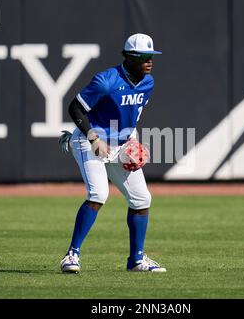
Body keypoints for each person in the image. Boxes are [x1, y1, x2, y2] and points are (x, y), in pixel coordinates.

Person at [58, 33, 166, 273]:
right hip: (90, 141)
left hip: (119, 143)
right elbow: (74, 107)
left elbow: (131, 117)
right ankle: (71, 255)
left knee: (142, 199)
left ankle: (136, 260)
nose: (149, 61)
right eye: (143, 57)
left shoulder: (148, 82)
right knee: (98, 193)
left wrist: (133, 142)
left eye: (152, 56)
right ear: (128, 57)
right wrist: (93, 137)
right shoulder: (106, 80)